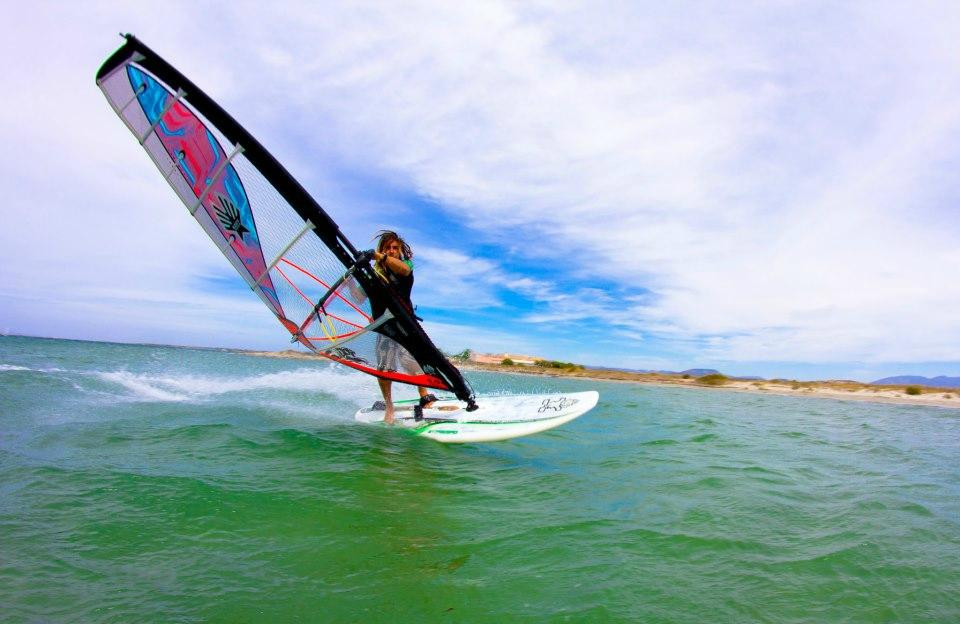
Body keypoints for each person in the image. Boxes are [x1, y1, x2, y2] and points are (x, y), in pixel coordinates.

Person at [370, 230, 437, 424]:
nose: (391, 251)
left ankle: (424, 396)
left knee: (410, 360)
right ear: (382, 249)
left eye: (395, 248)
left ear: (400, 251)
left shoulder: (406, 265)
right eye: (387, 248)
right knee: (384, 368)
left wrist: (379, 257)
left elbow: (405, 270)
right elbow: (358, 296)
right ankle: (389, 406)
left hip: (405, 321)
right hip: (385, 324)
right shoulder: (375, 274)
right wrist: (349, 280)